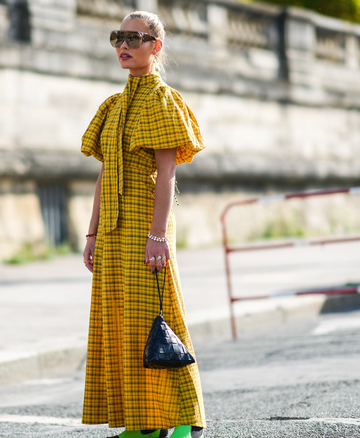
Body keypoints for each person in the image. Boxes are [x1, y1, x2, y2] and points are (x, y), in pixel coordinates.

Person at [80, 10, 206, 438]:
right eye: (118, 37)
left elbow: (167, 174)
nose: (124, 45)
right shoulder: (112, 106)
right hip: (113, 233)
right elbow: (104, 175)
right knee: (121, 322)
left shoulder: (163, 100)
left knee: (160, 317)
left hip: (146, 227)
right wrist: (92, 233)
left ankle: (184, 419)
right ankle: (143, 424)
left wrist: (157, 236)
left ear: (156, 46)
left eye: (134, 38)